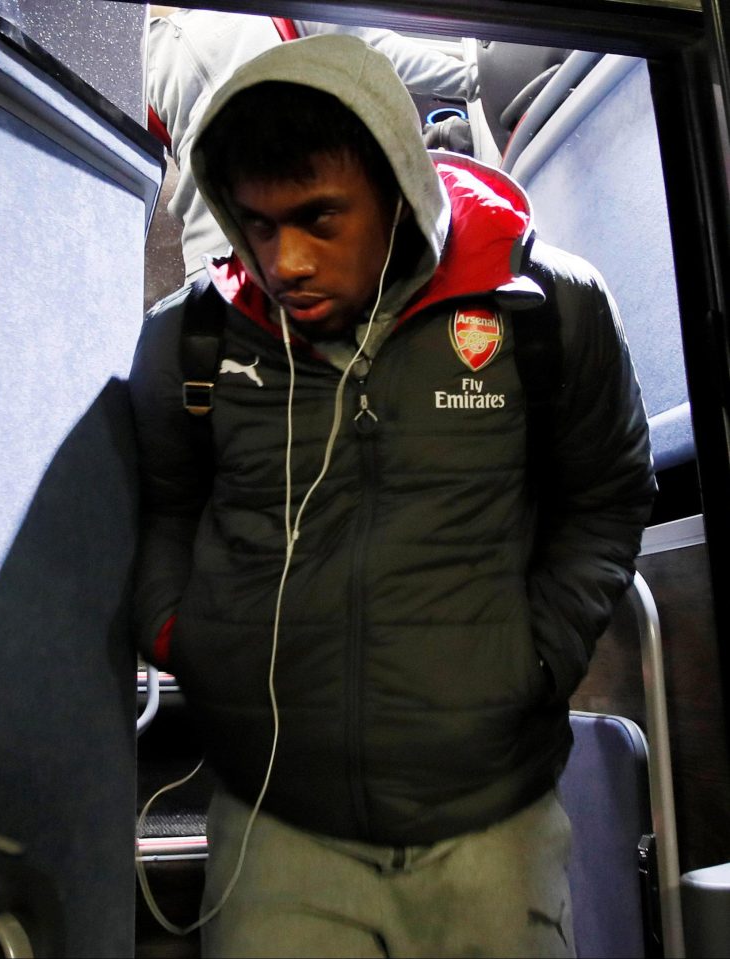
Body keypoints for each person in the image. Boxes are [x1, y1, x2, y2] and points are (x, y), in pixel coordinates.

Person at [129, 33, 655, 959]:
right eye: (257, 224)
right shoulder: (194, 342)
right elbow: (166, 504)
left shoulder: (542, 307)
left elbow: (607, 494)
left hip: (491, 830)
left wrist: (536, 660)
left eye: (319, 219)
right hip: (276, 831)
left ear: (401, 187)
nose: (283, 259)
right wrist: (187, 639)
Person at [145, 6, 479, 280]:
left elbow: (377, 47)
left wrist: (472, 80)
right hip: (217, 244)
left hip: (303, 215)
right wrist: (471, 80)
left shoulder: (270, 10)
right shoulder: (145, 51)